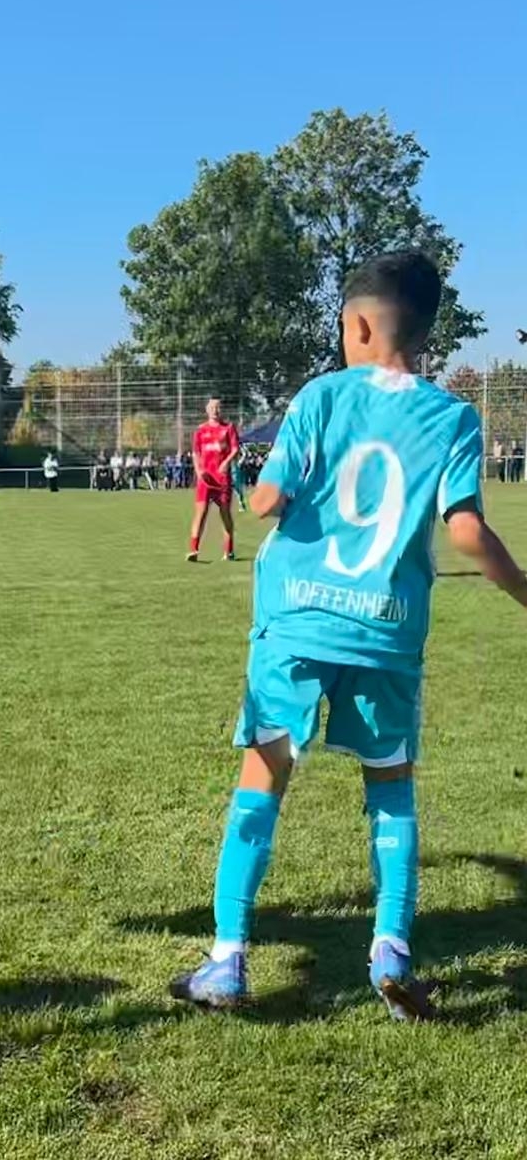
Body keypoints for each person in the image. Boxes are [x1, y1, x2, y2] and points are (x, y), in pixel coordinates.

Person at [169, 252, 527, 1021]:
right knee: (390, 786)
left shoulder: (321, 397)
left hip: (298, 620)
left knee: (263, 777)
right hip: (387, 632)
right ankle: (391, 949)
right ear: (424, 333)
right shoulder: (453, 418)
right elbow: (465, 529)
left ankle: (227, 959)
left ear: (358, 327)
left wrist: (261, 482)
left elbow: (266, 500)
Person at [188, 399, 240, 561]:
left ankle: (228, 550)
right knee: (201, 513)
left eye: (218, 407)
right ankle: (193, 550)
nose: (215, 410)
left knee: (225, 514)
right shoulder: (200, 430)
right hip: (206, 478)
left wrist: (226, 462)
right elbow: (195, 453)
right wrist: (199, 470)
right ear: (207, 410)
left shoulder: (228, 428)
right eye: (212, 407)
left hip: (222, 479)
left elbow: (235, 449)